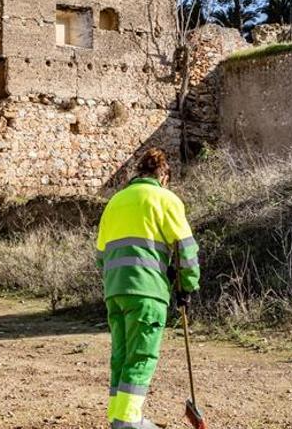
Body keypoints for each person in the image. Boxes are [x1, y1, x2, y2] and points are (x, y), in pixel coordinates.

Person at [95, 148, 200, 429]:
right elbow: (185, 250)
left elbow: (101, 253)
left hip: (115, 292)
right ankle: (129, 422)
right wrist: (186, 287)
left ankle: (119, 417)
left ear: (138, 173)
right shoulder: (165, 199)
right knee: (142, 355)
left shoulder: (115, 202)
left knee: (121, 355)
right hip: (147, 291)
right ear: (163, 176)